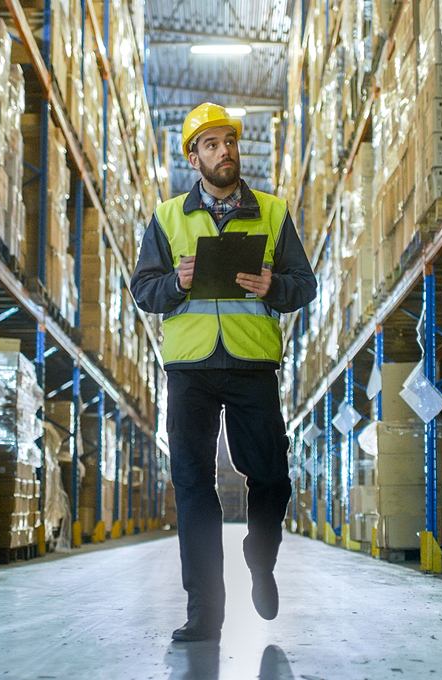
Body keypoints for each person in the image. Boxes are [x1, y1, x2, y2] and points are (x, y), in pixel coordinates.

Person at [130, 103, 317, 642]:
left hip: (251, 363)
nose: (224, 152)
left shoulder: (273, 213)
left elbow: (305, 284)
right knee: (192, 486)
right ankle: (205, 612)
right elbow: (143, 290)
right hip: (190, 368)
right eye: (211, 144)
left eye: (229, 142)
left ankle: (260, 558)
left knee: (272, 477)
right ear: (194, 157)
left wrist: (272, 287)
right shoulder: (168, 218)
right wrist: (176, 284)